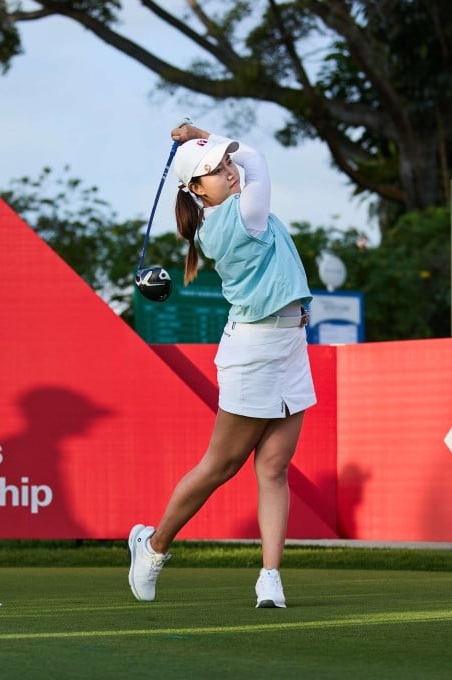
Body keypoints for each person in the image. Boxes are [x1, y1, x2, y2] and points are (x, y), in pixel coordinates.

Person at [128, 123, 316, 608]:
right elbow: (257, 160)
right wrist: (202, 134)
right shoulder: (241, 215)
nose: (230, 171)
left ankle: (270, 577)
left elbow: (246, 162)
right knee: (221, 466)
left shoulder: (234, 212)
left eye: (227, 163)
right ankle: (153, 547)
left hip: (289, 346)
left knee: (274, 467)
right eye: (216, 169)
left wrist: (205, 141)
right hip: (255, 353)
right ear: (196, 188)